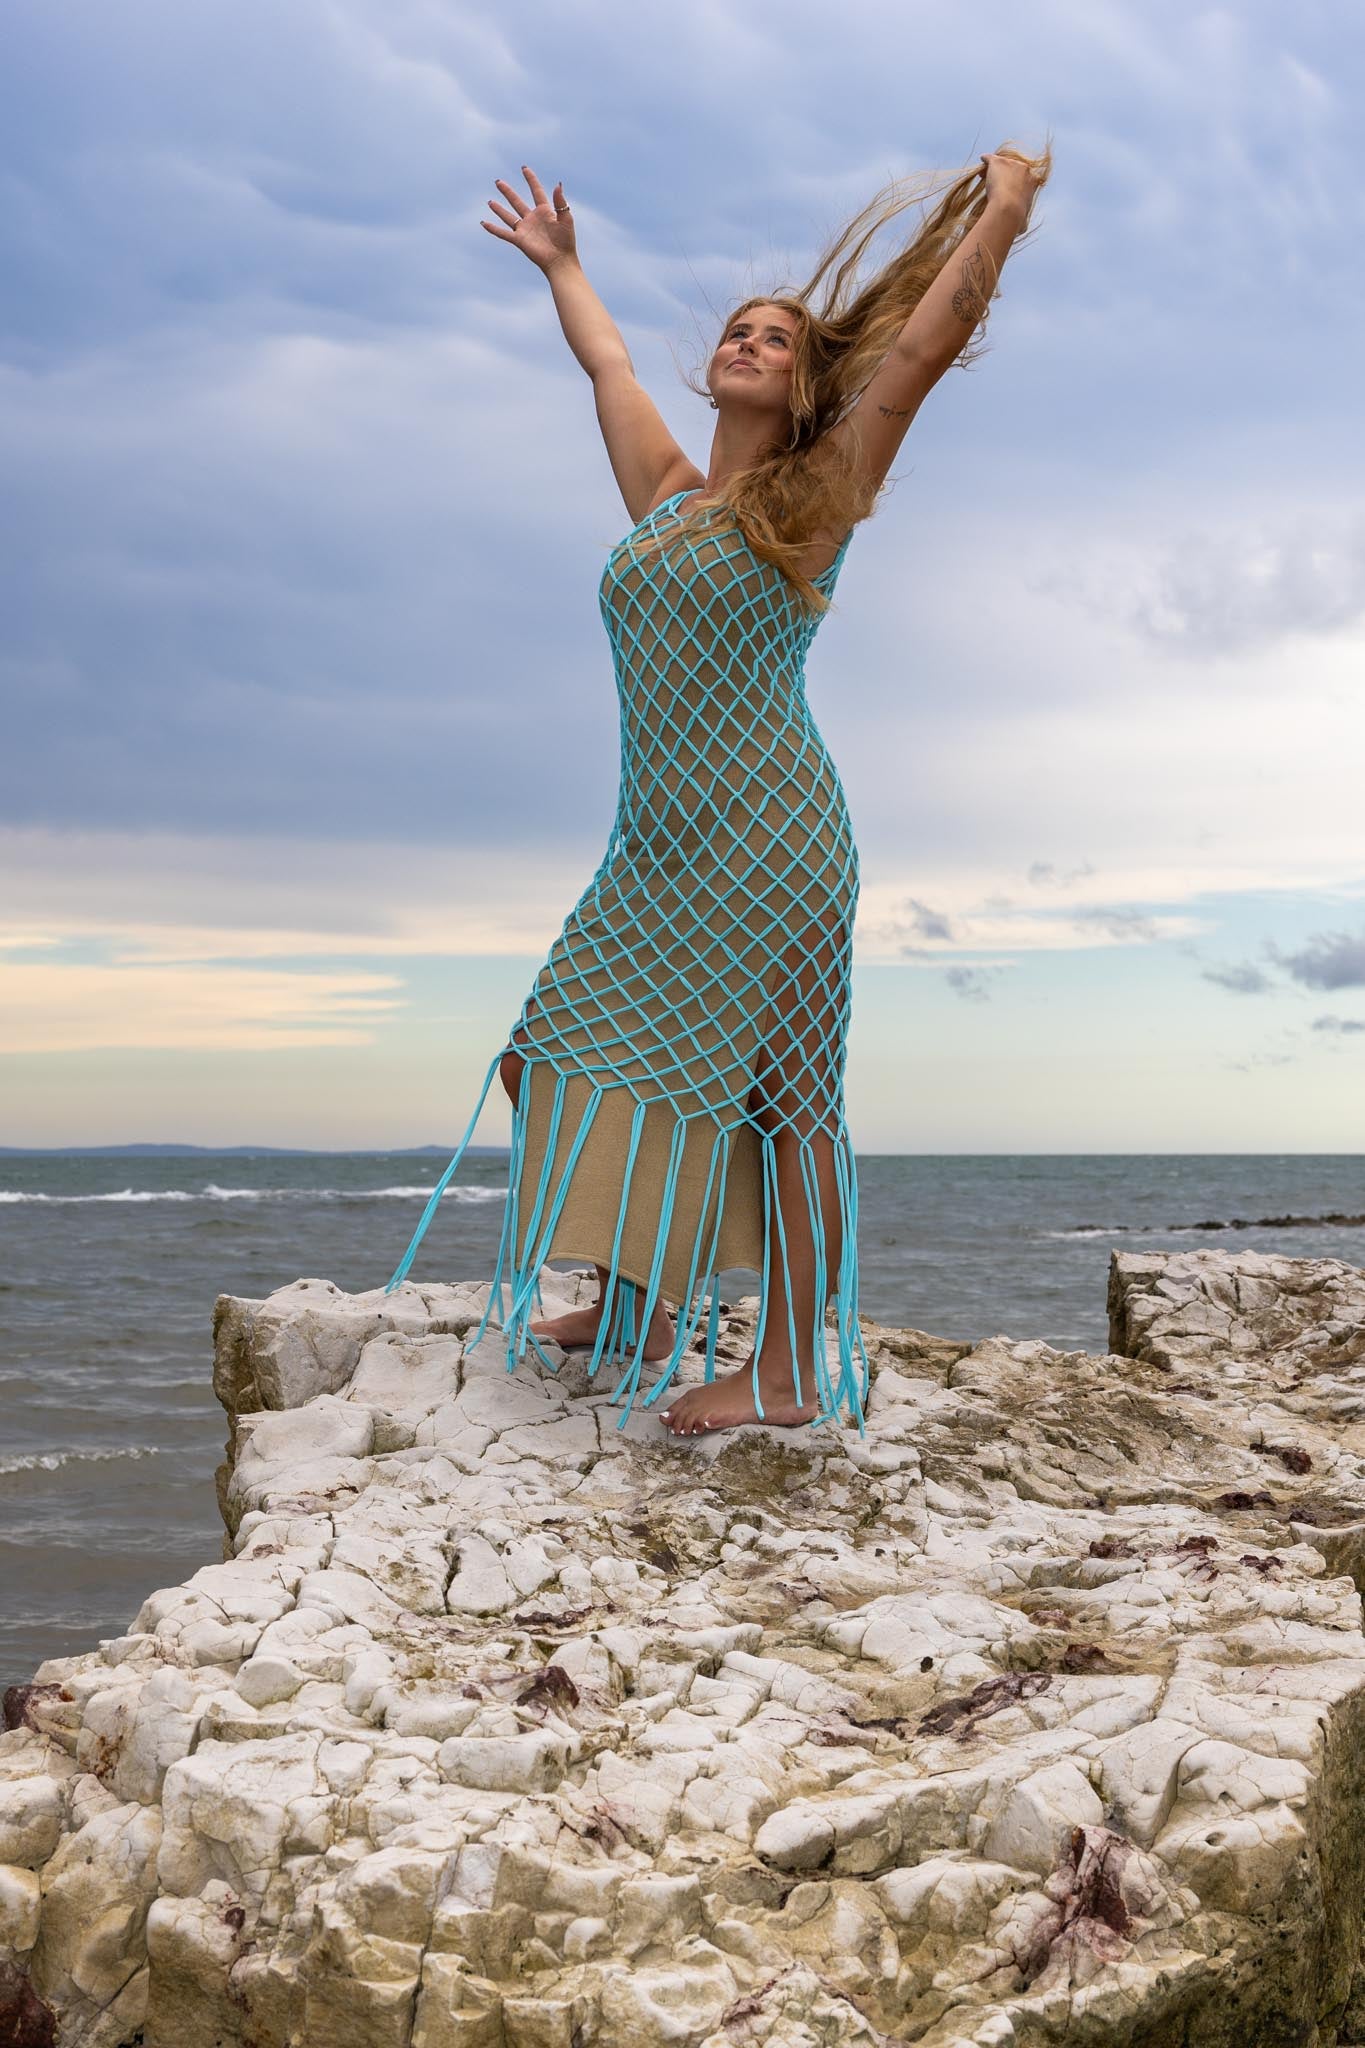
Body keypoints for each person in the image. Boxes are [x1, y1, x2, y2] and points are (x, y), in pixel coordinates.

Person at [387, 145, 1049, 1437]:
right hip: (659, 850)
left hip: (771, 838)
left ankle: (791, 1365)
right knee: (545, 1056)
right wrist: (565, 269)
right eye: (738, 331)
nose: (748, 343)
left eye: (776, 339)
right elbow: (609, 368)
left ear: (808, 385)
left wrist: (1003, 218)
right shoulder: (671, 501)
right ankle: (640, 1301)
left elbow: (914, 359)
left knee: (790, 1106)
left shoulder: (811, 500)